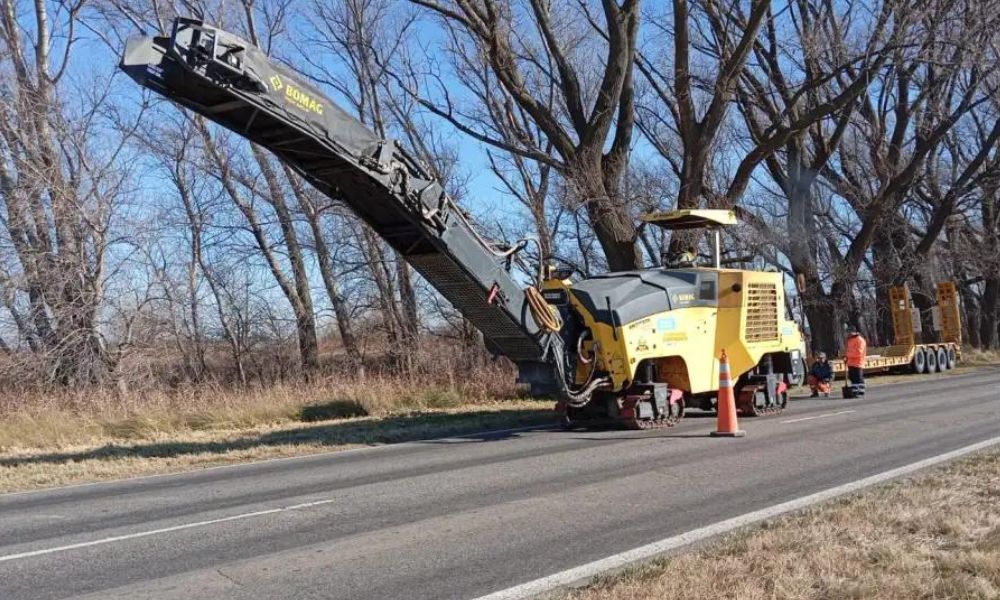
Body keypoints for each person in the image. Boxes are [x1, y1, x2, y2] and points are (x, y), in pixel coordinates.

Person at [845, 327, 868, 397]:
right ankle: (854, 391)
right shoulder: (850, 340)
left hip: (858, 362)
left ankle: (861, 391)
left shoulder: (860, 340)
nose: (848, 333)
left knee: (858, 377)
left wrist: (848, 355)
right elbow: (848, 350)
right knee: (852, 377)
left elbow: (859, 352)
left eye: (849, 332)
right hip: (850, 362)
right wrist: (846, 356)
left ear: (854, 332)